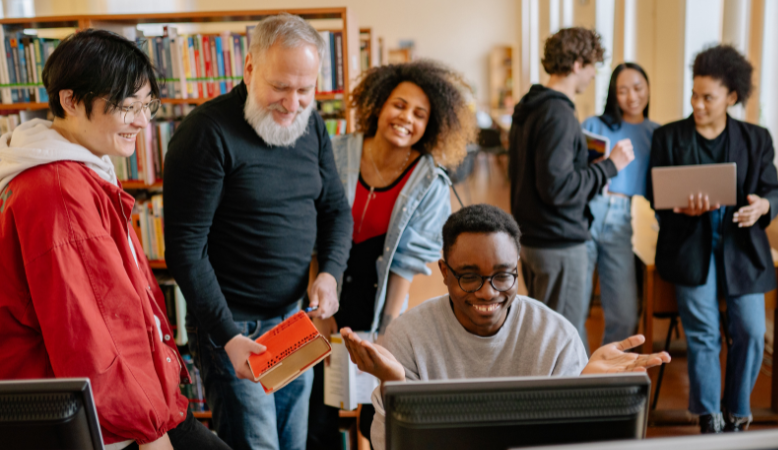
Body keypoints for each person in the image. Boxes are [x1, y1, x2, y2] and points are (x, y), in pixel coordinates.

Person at [0, 30, 231, 450]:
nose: (144, 121)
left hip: (133, 406)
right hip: (106, 426)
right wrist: (149, 431)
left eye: (147, 105)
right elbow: (90, 335)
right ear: (70, 101)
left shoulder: (78, 169)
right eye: (128, 107)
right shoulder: (57, 193)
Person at [163, 14, 353, 450]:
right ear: (249, 69)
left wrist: (330, 274)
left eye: (305, 90)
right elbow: (185, 250)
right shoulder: (206, 133)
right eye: (281, 87)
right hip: (232, 325)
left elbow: (336, 210)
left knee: (292, 442)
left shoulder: (313, 125)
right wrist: (228, 336)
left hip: (293, 318)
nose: (293, 104)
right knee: (257, 445)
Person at [339, 204, 671, 450]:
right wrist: (393, 385)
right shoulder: (408, 337)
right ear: (444, 272)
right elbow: (388, 446)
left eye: (502, 275)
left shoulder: (556, 337)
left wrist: (586, 391)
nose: (488, 292)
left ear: (518, 268)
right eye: (469, 276)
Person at [307, 60, 476, 449]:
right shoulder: (336, 152)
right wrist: (320, 312)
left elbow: (405, 266)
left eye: (420, 114)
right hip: (321, 296)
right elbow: (316, 235)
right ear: (380, 104)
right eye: (399, 105)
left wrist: (387, 333)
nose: (406, 119)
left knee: (374, 419)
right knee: (317, 417)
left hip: (376, 302)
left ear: (430, 125)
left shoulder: (431, 182)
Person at [646, 45, 778, 433]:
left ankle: (738, 412)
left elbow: (776, 191)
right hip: (690, 246)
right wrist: (679, 209)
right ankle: (710, 417)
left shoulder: (757, 139)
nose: (698, 104)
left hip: (742, 247)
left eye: (708, 97)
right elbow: (655, 195)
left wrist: (762, 206)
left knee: (751, 331)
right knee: (703, 334)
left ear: (732, 97)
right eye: (694, 94)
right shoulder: (669, 137)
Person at [508, 28, 635, 351]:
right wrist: (610, 166)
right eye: (593, 66)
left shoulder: (530, 106)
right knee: (564, 342)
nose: (594, 75)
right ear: (578, 63)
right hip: (559, 243)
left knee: (545, 336)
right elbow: (559, 188)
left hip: (533, 239)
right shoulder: (559, 113)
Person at [581, 63, 660, 345]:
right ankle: (574, 381)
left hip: (622, 219)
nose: (632, 97)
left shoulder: (656, 133)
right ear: (613, 94)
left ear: (648, 89)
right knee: (573, 312)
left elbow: (659, 190)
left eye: (638, 88)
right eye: (622, 90)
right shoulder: (593, 125)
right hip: (585, 212)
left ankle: (607, 382)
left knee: (625, 316)